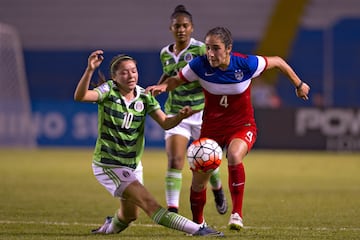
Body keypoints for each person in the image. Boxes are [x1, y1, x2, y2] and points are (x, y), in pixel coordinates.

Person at [146, 26, 310, 230]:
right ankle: (198, 225)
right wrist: (163, 87)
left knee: (233, 155)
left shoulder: (246, 64)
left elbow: (277, 61)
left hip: (242, 126)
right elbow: (177, 80)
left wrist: (299, 84)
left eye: (216, 48)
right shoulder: (200, 65)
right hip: (212, 129)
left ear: (228, 49)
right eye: (208, 48)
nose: (210, 53)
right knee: (199, 179)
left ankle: (236, 215)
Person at [73, 49, 224, 237]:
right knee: (150, 205)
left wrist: (179, 116)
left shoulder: (144, 96)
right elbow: (80, 96)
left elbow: (166, 123)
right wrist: (89, 70)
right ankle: (199, 230)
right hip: (109, 164)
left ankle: (108, 227)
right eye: (125, 72)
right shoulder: (108, 91)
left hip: (133, 165)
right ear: (114, 76)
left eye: (134, 71)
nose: (131, 75)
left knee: (130, 215)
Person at [158, 4, 227, 215]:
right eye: (176, 26)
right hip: (176, 112)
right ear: (171, 28)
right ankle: (173, 210)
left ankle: (217, 189)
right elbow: (170, 75)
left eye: (184, 26)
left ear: (192, 28)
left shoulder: (200, 49)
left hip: (201, 112)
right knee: (175, 160)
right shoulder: (165, 53)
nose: (180, 29)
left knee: (207, 160)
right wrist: (160, 86)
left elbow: (213, 72)